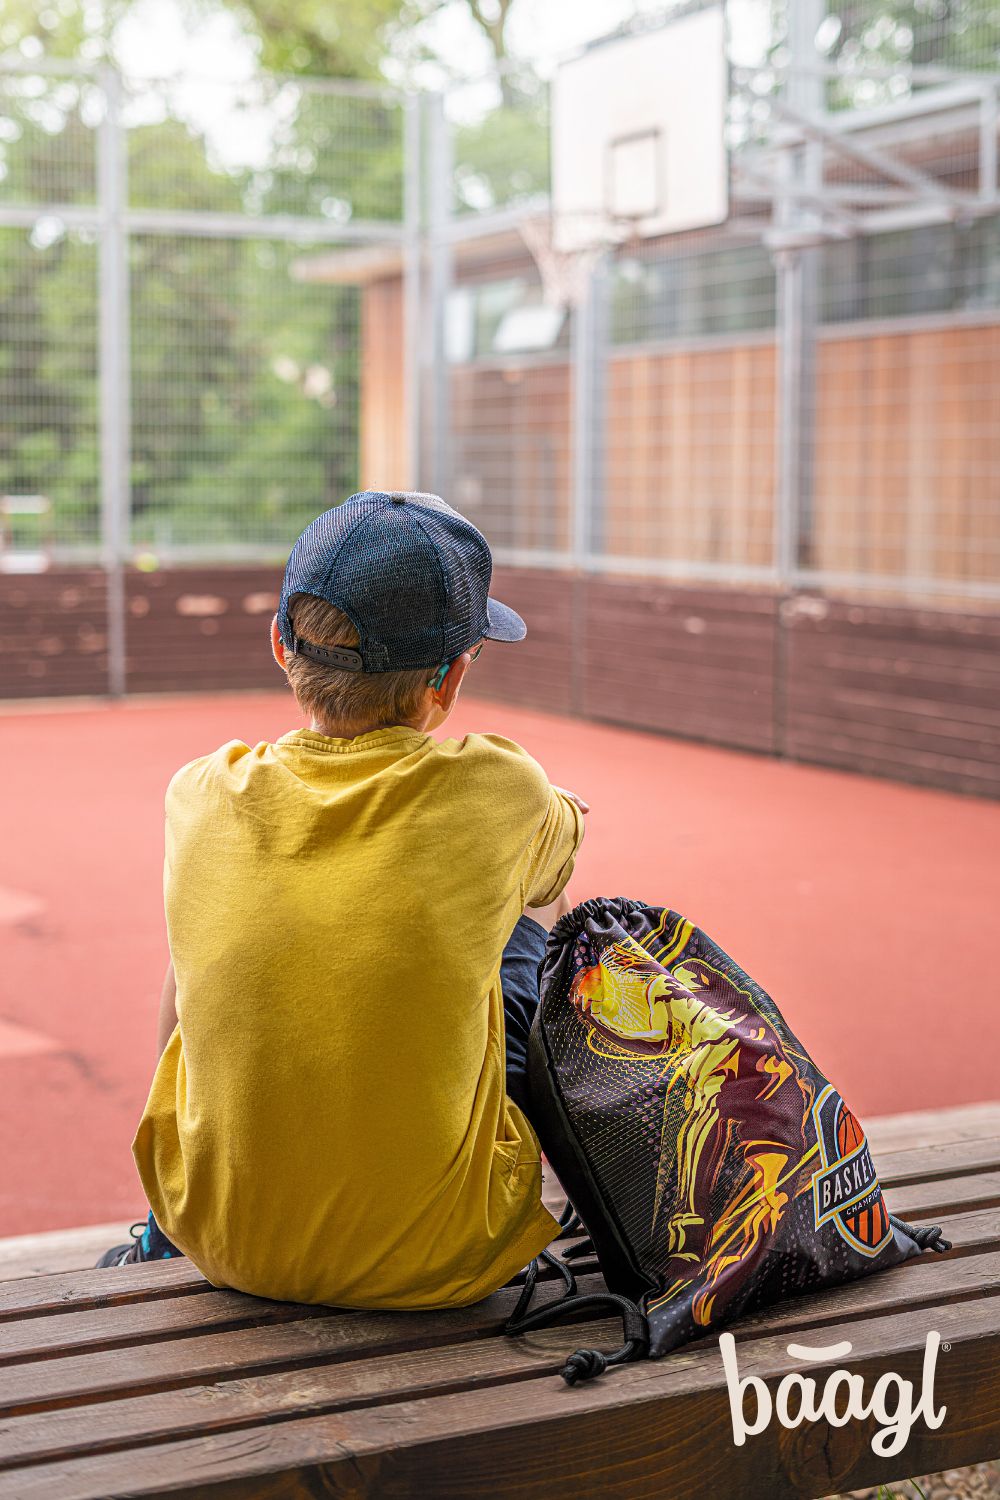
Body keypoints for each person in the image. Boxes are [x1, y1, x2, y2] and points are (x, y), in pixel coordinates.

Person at [99, 490, 587, 1311]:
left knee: (201, 949)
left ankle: (157, 1216)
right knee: (532, 923)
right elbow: (558, 864)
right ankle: (598, 1200)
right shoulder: (503, 788)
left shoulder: (200, 792)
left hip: (218, 1239)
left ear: (281, 648)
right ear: (454, 677)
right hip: (438, 1261)